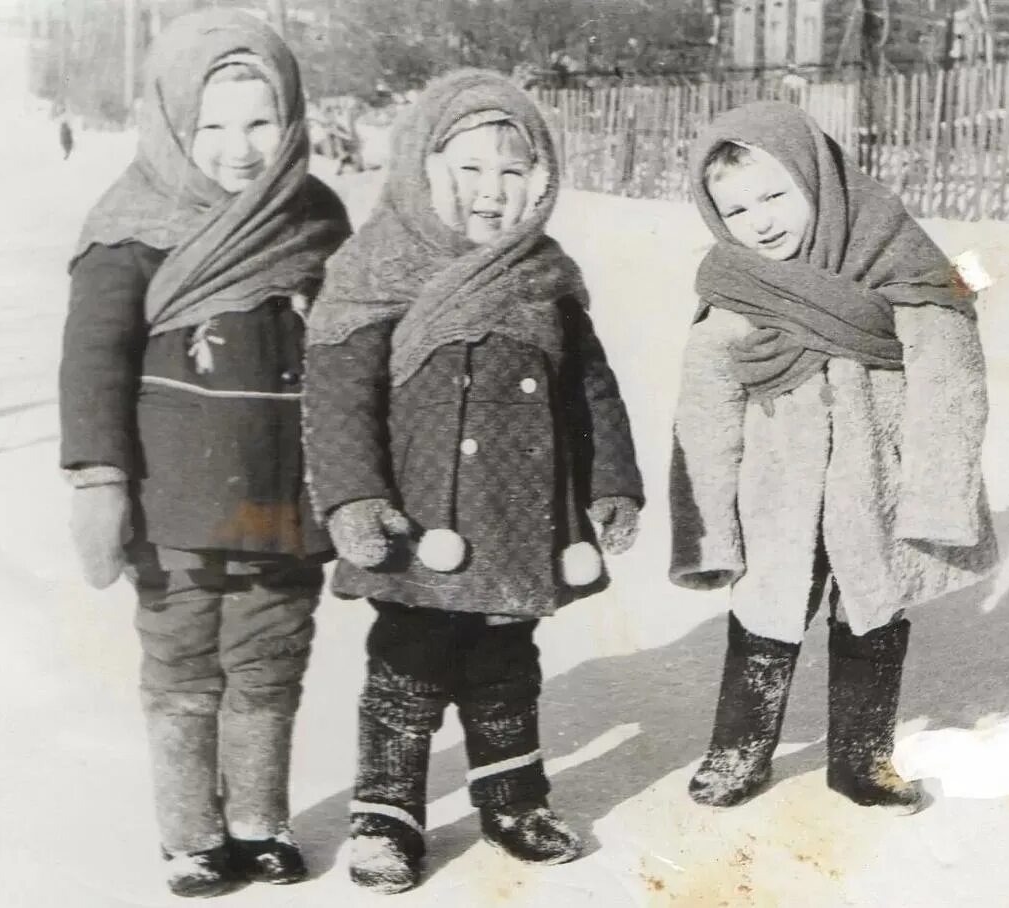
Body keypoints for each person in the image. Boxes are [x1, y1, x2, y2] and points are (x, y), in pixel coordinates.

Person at [305, 69, 644, 894]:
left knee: (504, 660)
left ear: (540, 182)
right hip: (418, 520)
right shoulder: (377, 265)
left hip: (517, 514)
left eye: (512, 172)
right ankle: (385, 815)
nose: (492, 194)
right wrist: (353, 498)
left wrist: (612, 485)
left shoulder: (544, 276)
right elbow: (341, 393)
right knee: (407, 664)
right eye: (469, 171)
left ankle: (514, 799)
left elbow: (590, 388)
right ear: (426, 169)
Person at [58, 9, 350, 898]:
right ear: (171, 125)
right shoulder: (130, 227)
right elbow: (93, 362)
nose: (239, 148)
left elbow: (353, 349)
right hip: (171, 497)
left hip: (282, 494)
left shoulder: (314, 219)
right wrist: (100, 481)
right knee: (183, 662)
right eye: (211, 126)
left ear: (293, 118)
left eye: (261, 122)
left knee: (270, 657)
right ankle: (190, 836)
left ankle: (259, 822)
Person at [670, 101, 998, 816]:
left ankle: (861, 758)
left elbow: (951, 377)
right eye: (736, 209)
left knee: (872, 613)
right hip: (777, 492)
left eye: (775, 193)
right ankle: (740, 750)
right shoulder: (733, 287)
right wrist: (709, 527)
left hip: (875, 482)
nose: (760, 221)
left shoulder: (898, 255)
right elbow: (706, 414)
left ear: (819, 177)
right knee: (763, 609)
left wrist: (936, 491)